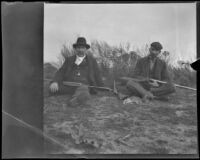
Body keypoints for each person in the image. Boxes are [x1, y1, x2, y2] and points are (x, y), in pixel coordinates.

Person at [49, 37, 103, 106]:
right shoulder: (69, 60)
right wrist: (55, 81)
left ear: (86, 49)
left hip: (84, 86)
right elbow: (61, 72)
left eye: (82, 48)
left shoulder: (92, 60)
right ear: (75, 49)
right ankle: (78, 97)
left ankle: (75, 100)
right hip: (68, 86)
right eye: (78, 48)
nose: (80, 50)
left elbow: (97, 74)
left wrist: (102, 87)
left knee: (84, 90)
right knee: (52, 88)